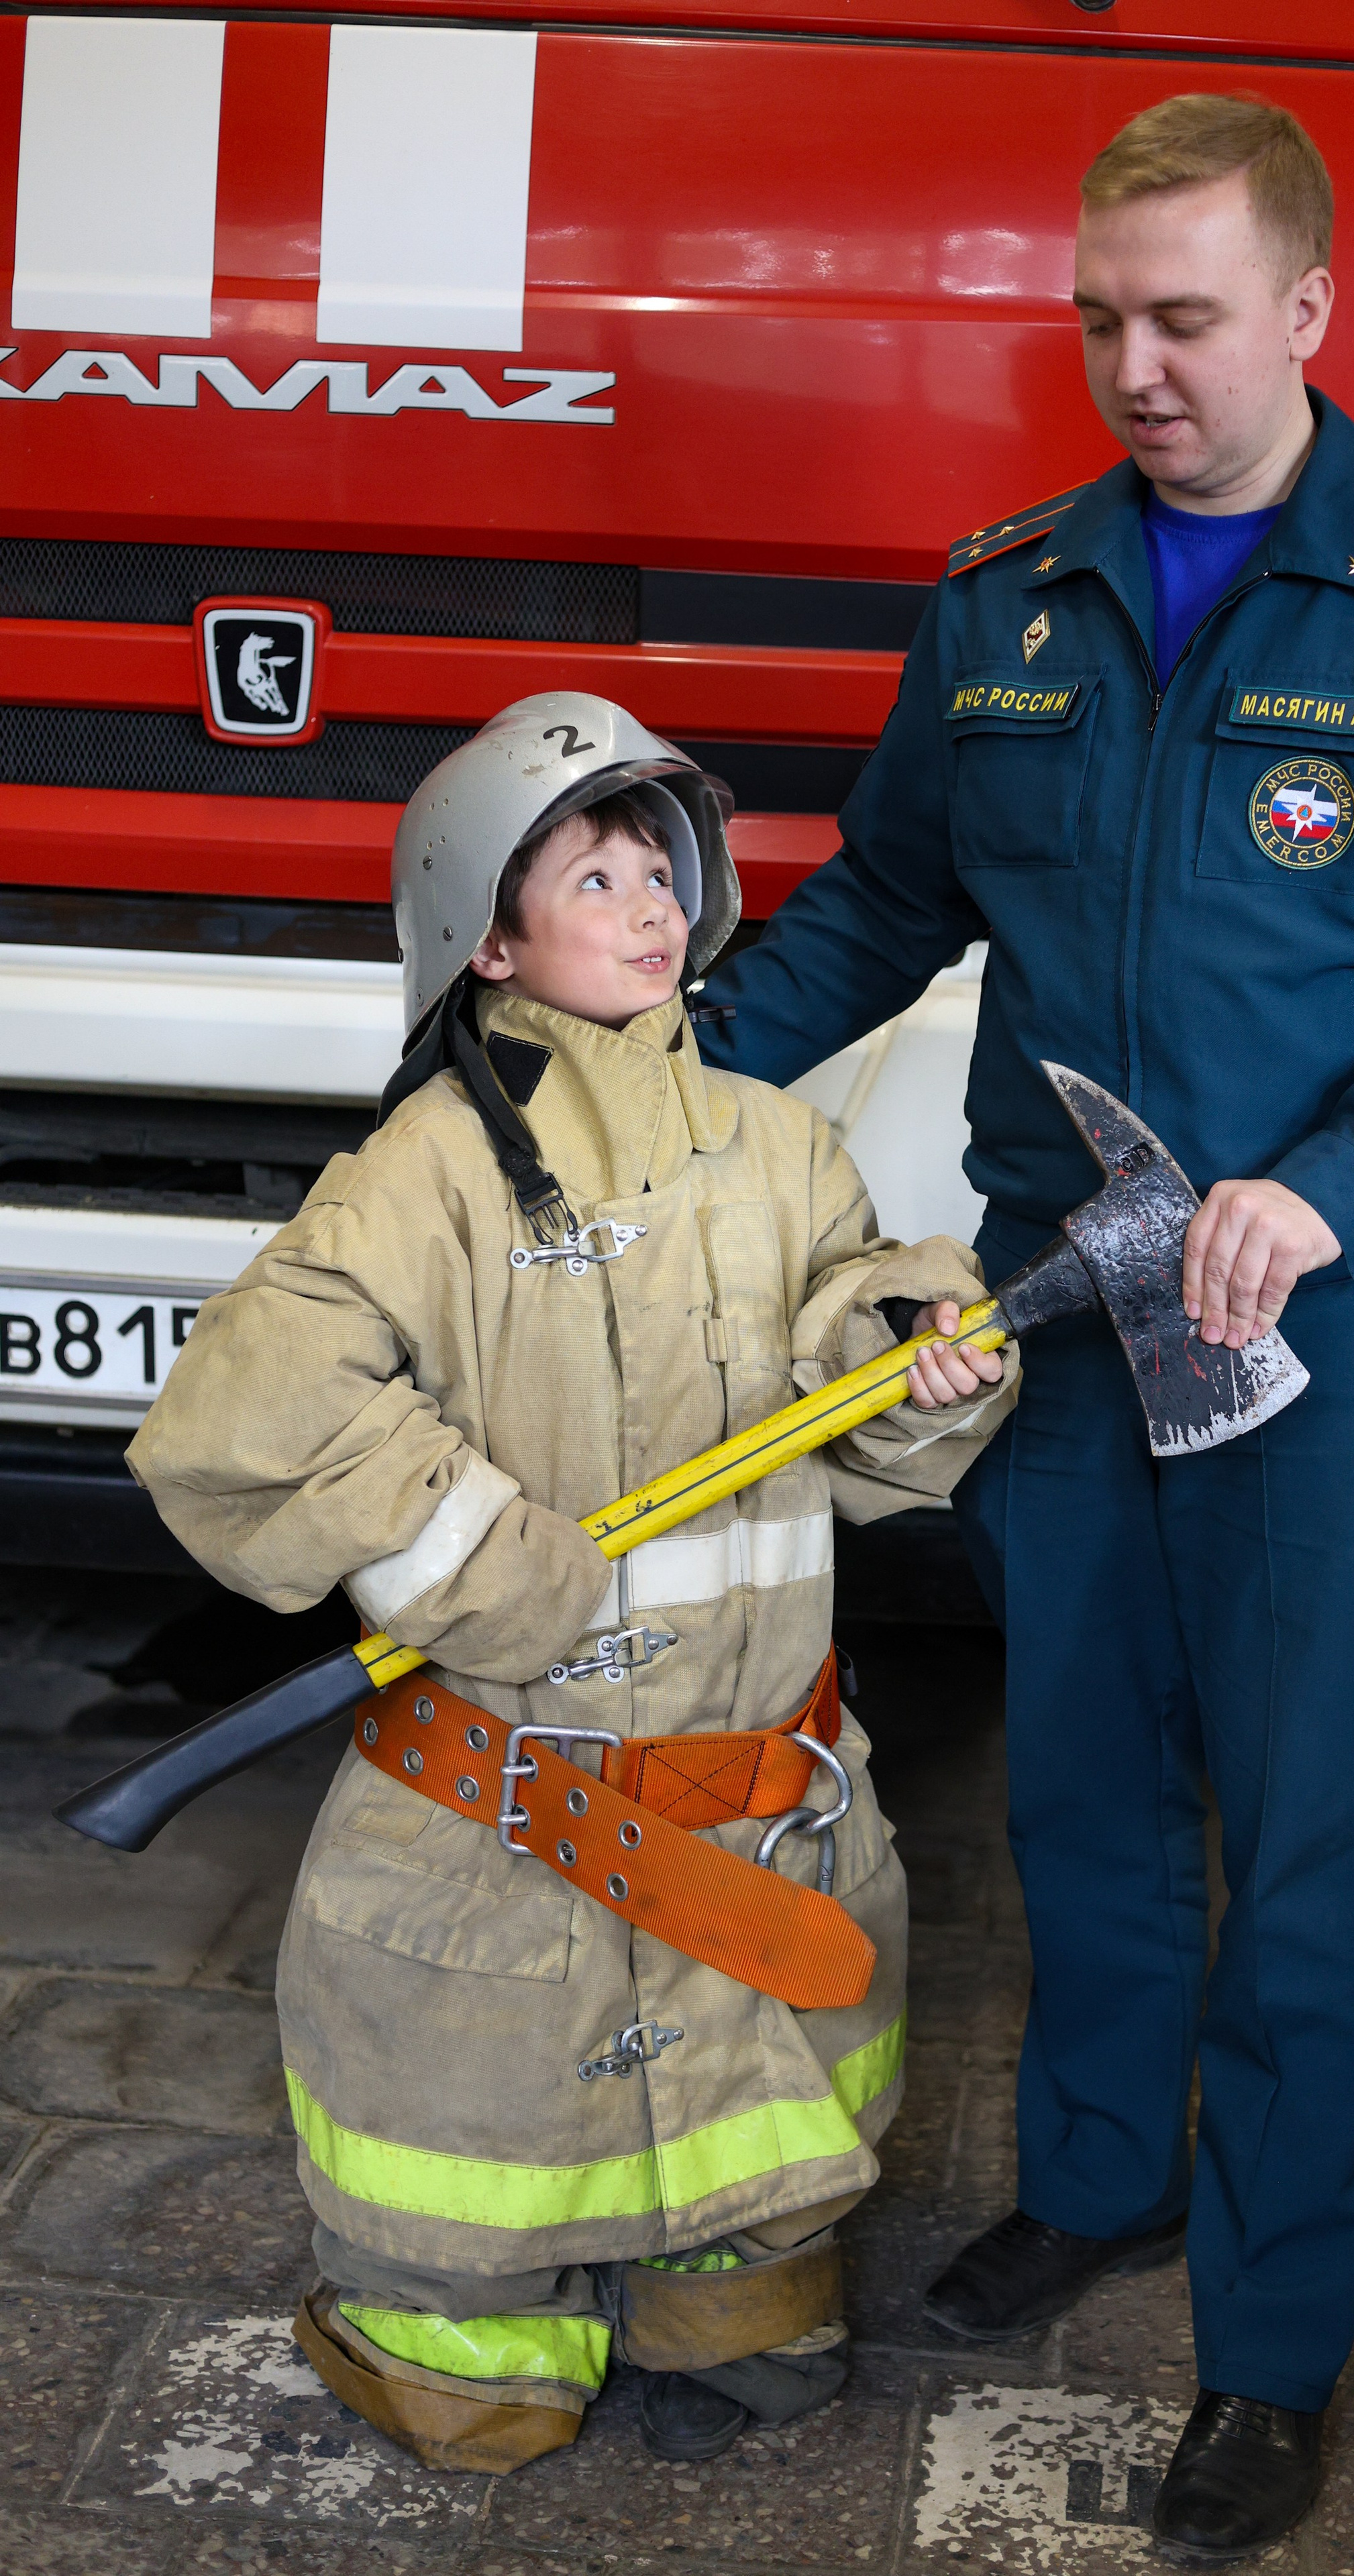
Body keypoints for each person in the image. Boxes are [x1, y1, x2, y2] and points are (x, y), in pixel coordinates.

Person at [694, 95, 1354, 2560]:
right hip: (1064, 1317)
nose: (1134, 365)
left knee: (1309, 1845)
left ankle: (1281, 2330)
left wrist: (1330, 1195)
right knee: (1090, 1791)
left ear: (1311, 312)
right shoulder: (1010, 597)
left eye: (1185, 318)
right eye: (1100, 315)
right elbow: (881, 906)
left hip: (1309, 1341)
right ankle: (1103, 2175)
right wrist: (635, 1079)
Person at [127, 693, 1011, 2476]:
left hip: (757, 1817)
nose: (646, 903)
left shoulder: (776, 1148)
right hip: (512, 1828)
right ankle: (469, 2322)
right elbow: (235, 1424)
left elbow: (843, 1352)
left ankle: (719, 2283)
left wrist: (916, 1355)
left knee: (755, 2294)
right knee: (479, 2346)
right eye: (590, 874)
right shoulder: (427, 1178)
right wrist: (477, 1563)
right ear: (490, 934)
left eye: (659, 867)